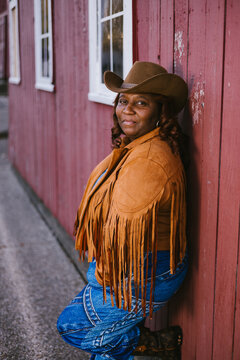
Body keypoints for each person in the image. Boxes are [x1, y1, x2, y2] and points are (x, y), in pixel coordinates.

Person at [57, 61, 189, 360]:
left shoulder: (149, 161)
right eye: (123, 101)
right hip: (135, 264)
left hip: (148, 268)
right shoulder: (138, 146)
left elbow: (128, 239)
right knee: (106, 346)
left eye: (140, 103)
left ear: (160, 111)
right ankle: (137, 340)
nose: (126, 110)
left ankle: (146, 343)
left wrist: (100, 281)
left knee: (73, 326)